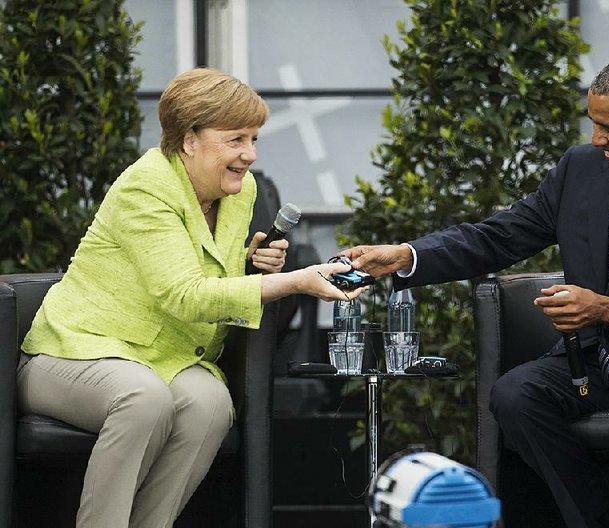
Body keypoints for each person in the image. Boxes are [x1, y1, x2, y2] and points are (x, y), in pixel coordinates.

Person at [341, 52, 609, 528]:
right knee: (515, 393)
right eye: (594, 124)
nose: (598, 140)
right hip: (591, 363)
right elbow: (499, 236)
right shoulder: (581, 169)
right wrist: (408, 254)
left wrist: (608, 310)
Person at [17, 68, 365, 528]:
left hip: (168, 357)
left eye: (254, 139)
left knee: (210, 405)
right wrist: (297, 281)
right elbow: (184, 295)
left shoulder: (239, 191)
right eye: (236, 139)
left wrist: (248, 263)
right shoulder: (145, 187)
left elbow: (195, 264)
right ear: (188, 140)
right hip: (74, 351)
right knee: (142, 399)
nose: (250, 155)